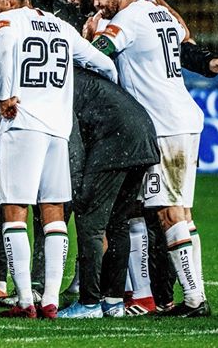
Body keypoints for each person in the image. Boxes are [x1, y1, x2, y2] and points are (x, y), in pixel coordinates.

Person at [86, 0, 211, 317]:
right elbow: (184, 32)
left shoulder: (128, 18)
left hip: (164, 124)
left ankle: (194, 299)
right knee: (181, 213)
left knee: (167, 212)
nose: (97, 3)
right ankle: (195, 295)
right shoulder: (158, 12)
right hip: (183, 117)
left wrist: (89, 35)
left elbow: (99, 53)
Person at [0, 0, 117, 319]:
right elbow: (103, 62)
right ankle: (49, 299)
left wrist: (4, 95)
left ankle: (24, 300)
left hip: (23, 125)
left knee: (15, 210)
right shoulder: (61, 26)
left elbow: (4, 53)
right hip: (58, 131)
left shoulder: (8, 21)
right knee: (54, 212)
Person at [57, 67, 160, 318]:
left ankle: (89, 302)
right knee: (118, 222)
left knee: (89, 222)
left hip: (116, 139)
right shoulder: (79, 76)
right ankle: (113, 301)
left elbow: (75, 142)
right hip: (143, 134)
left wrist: (78, 189)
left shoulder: (60, 85)